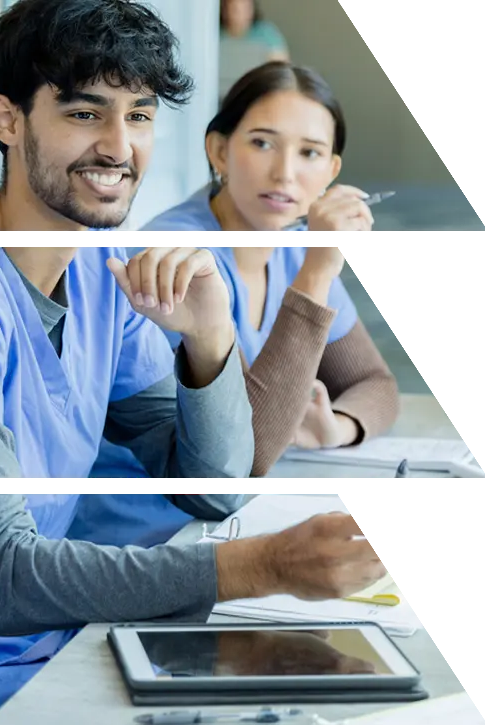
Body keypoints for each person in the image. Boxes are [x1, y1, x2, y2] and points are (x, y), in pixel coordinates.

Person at [0, 3, 387, 725]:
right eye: (85, 114)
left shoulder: (99, 274)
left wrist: (209, 338)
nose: (119, 147)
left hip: (32, 641)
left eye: (141, 116)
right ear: (7, 120)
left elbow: (212, 489)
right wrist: (262, 566)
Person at [87, 62, 399, 507]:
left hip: (234, 515)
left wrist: (338, 425)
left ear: (331, 171)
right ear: (218, 151)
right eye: (262, 143)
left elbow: (375, 382)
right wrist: (317, 274)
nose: (285, 174)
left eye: (309, 153)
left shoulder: (294, 244)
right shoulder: (177, 254)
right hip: (153, 525)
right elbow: (243, 458)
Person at [219, 0, 289, 98]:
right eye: (233, 7)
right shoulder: (214, 35)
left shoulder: (267, 34)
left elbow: (280, 71)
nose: (238, 12)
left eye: (244, 6)